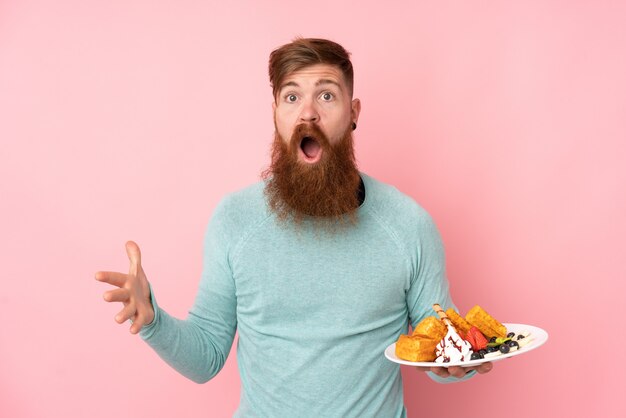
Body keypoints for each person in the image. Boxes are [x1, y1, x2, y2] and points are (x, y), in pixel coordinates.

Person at [96, 37, 492, 417]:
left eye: (326, 95)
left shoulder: (408, 225)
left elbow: (440, 342)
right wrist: (151, 321)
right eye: (291, 97)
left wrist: (462, 362)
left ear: (353, 113)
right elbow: (206, 358)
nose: (308, 113)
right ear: (275, 113)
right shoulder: (234, 221)